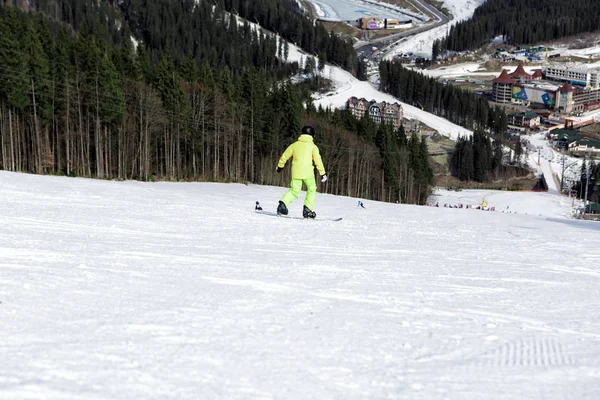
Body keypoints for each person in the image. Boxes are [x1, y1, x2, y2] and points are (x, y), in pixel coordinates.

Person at [276, 125, 327, 218]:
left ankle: (282, 205)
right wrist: (322, 173)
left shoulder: (294, 145)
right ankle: (307, 210)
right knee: (311, 189)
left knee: (294, 190)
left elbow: (285, 156)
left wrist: (280, 166)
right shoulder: (313, 147)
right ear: (312, 135)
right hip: (308, 173)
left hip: (296, 172)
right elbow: (318, 161)